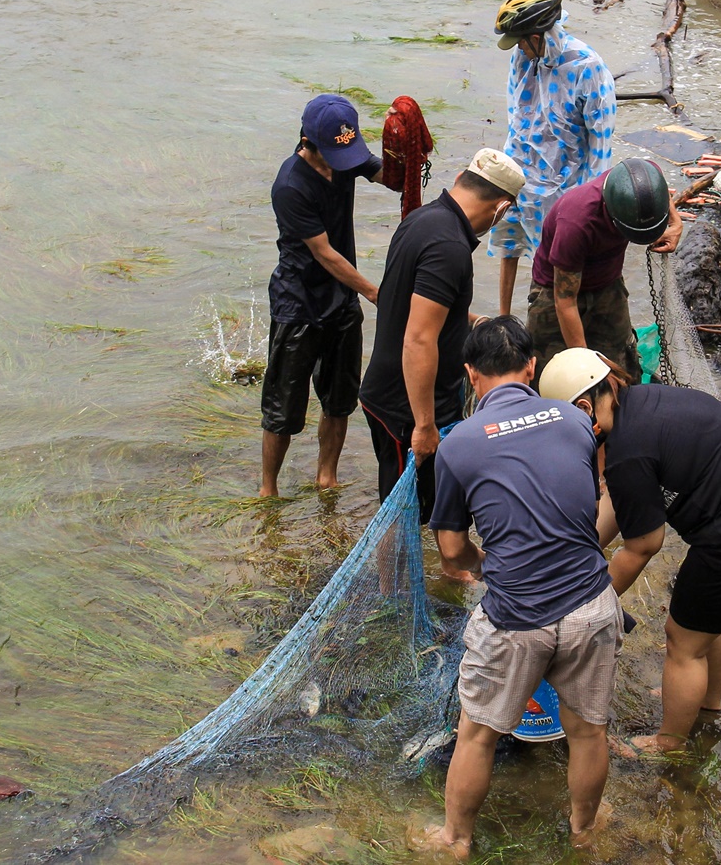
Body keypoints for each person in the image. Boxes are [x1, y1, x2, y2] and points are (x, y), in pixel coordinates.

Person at [418, 317, 623, 859]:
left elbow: (452, 550)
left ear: (469, 374)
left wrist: (487, 567)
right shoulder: (576, 421)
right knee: (588, 732)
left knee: (478, 734)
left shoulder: (457, 445)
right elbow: (584, 500)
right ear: (532, 368)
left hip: (515, 617)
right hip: (591, 604)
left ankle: (455, 839)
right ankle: (585, 830)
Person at [538, 348, 721, 757]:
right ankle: (706, 704)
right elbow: (616, 501)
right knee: (709, 621)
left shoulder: (628, 451)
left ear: (584, 408)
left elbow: (643, 545)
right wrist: (578, 552)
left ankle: (669, 742)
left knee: (681, 639)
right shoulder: (641, 403)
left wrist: (582, 602)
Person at [358, 148, 524, 521]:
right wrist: (424, 424)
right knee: (400, 514)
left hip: (386, 392)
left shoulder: (423, 219)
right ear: (501, 208)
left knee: (434, 505)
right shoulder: (450, 247)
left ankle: (447, 570)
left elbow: (403, 299)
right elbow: (418, 338)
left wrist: (473, 320)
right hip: (405, 406)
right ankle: (394, 581)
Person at [260, 93, 392, 498]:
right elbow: (325, 254)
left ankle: (327, 477)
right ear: (308, 140)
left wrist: (402, 140)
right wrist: (375, 293)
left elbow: (389, 177)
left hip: (342, 302)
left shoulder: (345, 158)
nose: (346, 161)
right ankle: (268, 489)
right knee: (283, 406)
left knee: (339, 399)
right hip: (298, 303)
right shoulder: (290, 185)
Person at [491, 0, 616, 318]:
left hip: (565, 184)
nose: (516, 48)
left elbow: (600, 146)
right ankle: (504, 317)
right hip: (524, 172)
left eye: (520, 40)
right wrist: (511, 172)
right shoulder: (525, 57)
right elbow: (517, 114)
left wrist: (583, 205)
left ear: (536, 36)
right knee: (509, 240)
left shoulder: (588, 69)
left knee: (555, 265)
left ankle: (548, 319)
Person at [527, 156, 683, 380]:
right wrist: (588, 369)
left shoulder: (644, 177)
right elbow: (565, 301)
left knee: (623, 368)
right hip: (555, 295)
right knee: (553, 374)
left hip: (607, 286)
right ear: (610, 212)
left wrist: (675, 223)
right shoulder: (577, 222)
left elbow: (661, 192)